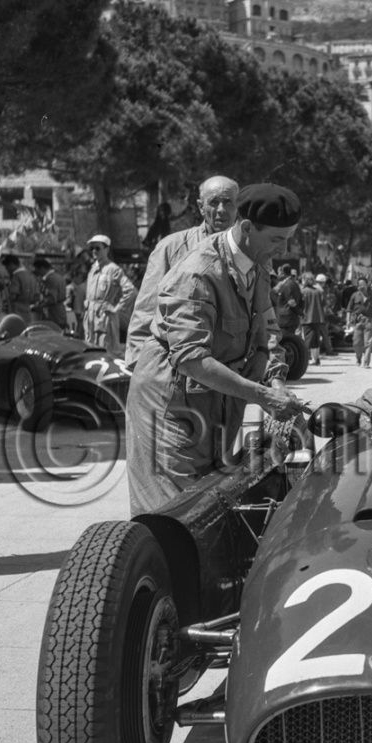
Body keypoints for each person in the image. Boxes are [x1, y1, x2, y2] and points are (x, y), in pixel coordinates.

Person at [126, 183, 305, 516]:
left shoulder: (257, 263)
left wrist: (272, 376)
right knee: (175, 514)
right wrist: (262, 395)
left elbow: (265, 330)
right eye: (277, 239)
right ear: (247, 228)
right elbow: (191, 360)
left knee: (211, 499)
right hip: (172, 403)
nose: (284, 249)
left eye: (289, 238)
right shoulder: (199, 273)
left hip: (217, 399)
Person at [125, 175, 239, 368]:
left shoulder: (248, 253)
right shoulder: (171, 248)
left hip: (229, 372)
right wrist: (139, 366)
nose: (221, 209)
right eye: (214, 202)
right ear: (201, 207)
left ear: (238, 206)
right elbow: (145, 313)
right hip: (177, 369)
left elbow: (262, 318)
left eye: (228, 202)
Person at [83, 235, 136, 356]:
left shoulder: (113, 269)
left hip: (104, 317)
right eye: (92, 248)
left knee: (106, 350)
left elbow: (131, 290)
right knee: (91, 350)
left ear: (106, 249)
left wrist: (117, 308)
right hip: (90, 317)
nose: (94, 251)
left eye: (97, 248)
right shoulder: (93, 268)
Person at [346, 276, 372, 368]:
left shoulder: (371, 296)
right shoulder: (355, 295)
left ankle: (366, 363)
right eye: (359, 284)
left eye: (362, 283)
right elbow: (349, 309)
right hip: (357, 322)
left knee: (368, 343)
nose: (361, 285)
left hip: (368, 321)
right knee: (356, 343)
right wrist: (348, 321)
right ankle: (358, 358)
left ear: (367, 284)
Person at [31, 256, 68, 331]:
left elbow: (51, 299)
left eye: (37, 270)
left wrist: (37, 306)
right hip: (59, 313)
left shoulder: (51, 279)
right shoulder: (58, 276)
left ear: (42, 268)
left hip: (53, 314)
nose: (37, 273)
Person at [0, 253, 38, 323]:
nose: (7, 270)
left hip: (16, 310)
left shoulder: (16, 276)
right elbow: (36, 295)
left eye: (7, 267)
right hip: (27, 310)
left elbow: (13, 295)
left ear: (11, 265)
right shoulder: (30, 276)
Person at [302, 273, 328, 366]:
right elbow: (324, 306)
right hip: (319, 318)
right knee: (316, 340)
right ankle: (316, 359)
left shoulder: (303, 291)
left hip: (307, 318)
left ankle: (308, 359)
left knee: (308, 340)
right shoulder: (319, 291)